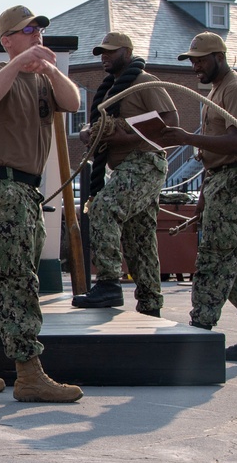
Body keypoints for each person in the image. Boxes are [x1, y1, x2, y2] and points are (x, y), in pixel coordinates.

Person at [0, 6, 84, 402]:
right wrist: (20, 62)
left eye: (40, 28)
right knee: (18, 283)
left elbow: (72, 102)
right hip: (0, 190)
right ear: (7, 40)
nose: (37, 34)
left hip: (26, 192)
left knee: (8, 282)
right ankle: (29, 375)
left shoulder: (43, 83)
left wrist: (52, 70)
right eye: (28, 30)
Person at [71, 32, 178, 315]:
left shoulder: (143, 82)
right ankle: (150, 303)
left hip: (144, 161)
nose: (104, 57)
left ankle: (108, 284)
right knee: (138, 236)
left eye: (111, 51)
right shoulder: (110, 89)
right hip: (123, 167)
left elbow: (170, 120)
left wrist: (125, 135)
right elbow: (98, 123)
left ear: (127, 53)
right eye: (101, 53)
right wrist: (89, 133)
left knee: (104, 208)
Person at [156, 32, 237, 359]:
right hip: (221, 182)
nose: (195, 66)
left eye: (200, 60)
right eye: (191, 60)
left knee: (214, 259)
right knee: (234, 269)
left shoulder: (232, 89)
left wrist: (187, 137)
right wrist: (204, 194)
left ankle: (198, 333)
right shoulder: (218, 90)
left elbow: (236, 141)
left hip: (233, 183)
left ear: (219, 57)